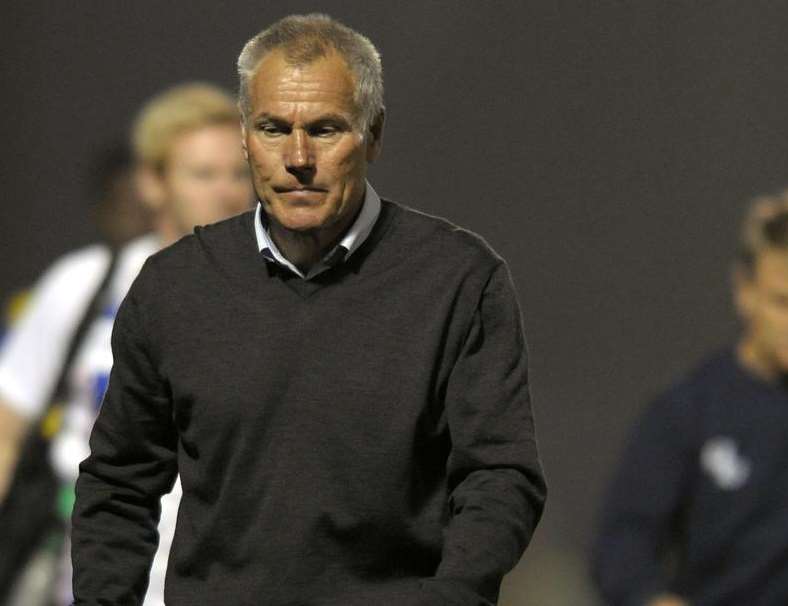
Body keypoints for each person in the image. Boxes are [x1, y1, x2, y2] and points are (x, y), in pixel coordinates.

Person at [71, 13, 546, 606]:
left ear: (373, 134)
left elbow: (499, 476)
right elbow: (119, 484)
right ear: (245, 139)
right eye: (273, 129)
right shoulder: (175, 286)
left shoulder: (457, 279)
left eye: (324, 130)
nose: (297, 156)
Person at [593, 187, 788, 606]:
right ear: (745, 290)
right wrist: (651, 599)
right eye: (784, 301)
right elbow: (623, 542)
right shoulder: (689, 410)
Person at [0, 82, 252, 605]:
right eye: (203, 174)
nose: (226, 192)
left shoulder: (278, 294)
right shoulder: (85, 285)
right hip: (100, 583)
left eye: (240, 173)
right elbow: (7, 430)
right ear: (153, 182)